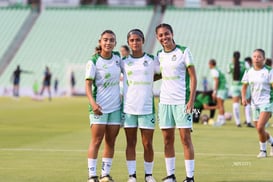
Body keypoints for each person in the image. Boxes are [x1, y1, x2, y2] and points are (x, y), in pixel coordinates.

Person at [155, 23, 197, 182]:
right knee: (167, 140)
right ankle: (171, 176)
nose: (164, 37)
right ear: (157, 38)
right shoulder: (159, 54)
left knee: (185, 139)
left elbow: (193, 76)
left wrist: (191, 101)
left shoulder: (184, 51)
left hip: (182, 101)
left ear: (172, 34)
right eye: (160, 35)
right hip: (165, 102)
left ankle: (190, 177)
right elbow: (159, 75)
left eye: (166, 34)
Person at [121, 29, 160, 182]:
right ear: (129, 42)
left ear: (143, 41)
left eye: (138, 40)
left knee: (147, 144)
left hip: (147, 108)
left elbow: (162, 73)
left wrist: (150, 80)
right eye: (132, 40)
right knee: (130, 143)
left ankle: (148, 175)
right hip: (129, 108)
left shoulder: (152, 59)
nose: (135, 43)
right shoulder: (123, 62)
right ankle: (132, 176)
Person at [85, 30, 121, 182]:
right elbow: (87, 84)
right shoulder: (93, 61)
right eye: (105, 40)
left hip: (116, 108)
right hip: (99, 107)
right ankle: (92, 176)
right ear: (100, 42)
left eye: (111, 40)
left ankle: (104, 174)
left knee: (110, 141)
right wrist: (93, 103)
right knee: (96, 140)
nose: (108, 43)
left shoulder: (118, 58)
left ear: (115, 43)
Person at [241, 49, 273, 158]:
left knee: (260, 127)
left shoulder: (269, 71)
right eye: (254, 56)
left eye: (259, 56)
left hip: (267, 102)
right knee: (260, 129)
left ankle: (263, 151)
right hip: (254, 104)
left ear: (264, 59)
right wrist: (243, 98)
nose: (256, 58)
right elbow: (244, 87)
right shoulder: (248, 71)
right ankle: (272, 143)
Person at [227, 51, 253, 127]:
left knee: (235, 104)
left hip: (234, 86)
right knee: (247, 103)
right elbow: (249, 71)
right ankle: (248, 121)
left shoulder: (230, 64)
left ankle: (238, 122)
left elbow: (228, 72)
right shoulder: (245, 63)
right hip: (243, 85)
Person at [208, 59, 228, 126]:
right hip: (224, 88)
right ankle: (221, 119)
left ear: (211, 64)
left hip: (221, 89)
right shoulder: (218, 69)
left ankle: (221, 120)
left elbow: (216, 81)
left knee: (220, 104)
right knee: (221, 104)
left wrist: (214, 91)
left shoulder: (214, 70)